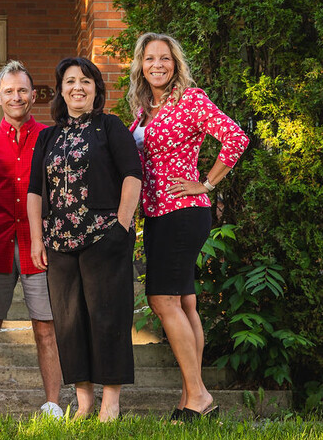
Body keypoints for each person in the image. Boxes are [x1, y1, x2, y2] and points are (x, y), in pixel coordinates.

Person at [127, 33, 249, 420]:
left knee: (163, 300)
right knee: (184, 302)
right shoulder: (144, 108)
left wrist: (207, 182)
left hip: (182, 210)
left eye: (165, 58)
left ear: (176, 64)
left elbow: (235, 138)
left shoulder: (190, 100)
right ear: (141, 65)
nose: (157, 65)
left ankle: (198, 395)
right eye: (150, 59)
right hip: (158, 214)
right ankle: (190, 397)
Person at [27, 57, 142, 422]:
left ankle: (111, 402)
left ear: (96, 89)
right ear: (60, 90)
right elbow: (34, 193)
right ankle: (84, 400)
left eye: (86, 81)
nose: (78, 87)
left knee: (108, 318)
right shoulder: (47, 136)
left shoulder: (110, 127)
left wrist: (121, 226)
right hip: (59, 243)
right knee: (69, 322)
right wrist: (36, 239)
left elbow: (132, 176)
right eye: (71, 81)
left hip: (103, 238)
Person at [0, 60, 63, 424]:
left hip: (39, 244)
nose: (16, 97)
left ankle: (53, 404)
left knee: (45, 326)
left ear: (33, 95)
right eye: (8, 91)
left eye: (22, 90)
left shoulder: (51, 137)